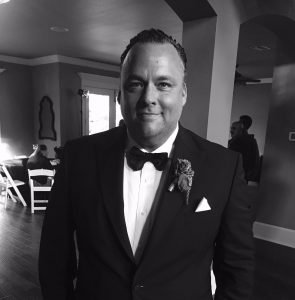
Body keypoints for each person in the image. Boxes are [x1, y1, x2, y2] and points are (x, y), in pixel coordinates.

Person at [39, 29, 254, 300]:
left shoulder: (224, 166)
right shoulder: (77, 158)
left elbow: (237, 271)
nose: (148, 98)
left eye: (163, 84)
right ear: (120, 95)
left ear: (183, 94)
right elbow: (54, 258)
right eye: (135, 84)